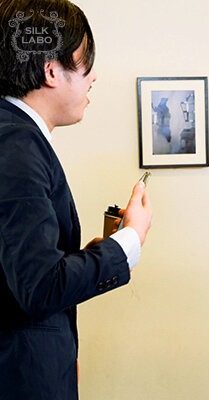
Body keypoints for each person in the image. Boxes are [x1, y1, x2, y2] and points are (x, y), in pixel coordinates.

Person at [0, 1, 152, 398]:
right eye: (86, 61)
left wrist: (89, 256)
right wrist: (130, 240)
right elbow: (40, 287)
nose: (94, 75)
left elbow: (21, 270)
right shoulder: (17, 144)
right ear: (51, 70)